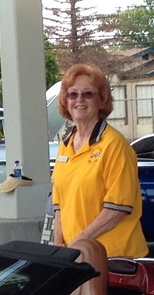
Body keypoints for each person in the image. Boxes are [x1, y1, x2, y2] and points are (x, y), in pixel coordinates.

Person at [50, 63, 147, 259]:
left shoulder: (115, 145)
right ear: (65, 100)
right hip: (78, 258)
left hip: (115, 260)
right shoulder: (65, 145)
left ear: (101, 100)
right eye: (72, 94)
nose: (79, 100)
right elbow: (59, 205)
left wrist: (78, 245)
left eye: (88, 94)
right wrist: (59, 249)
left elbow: (117, 209)